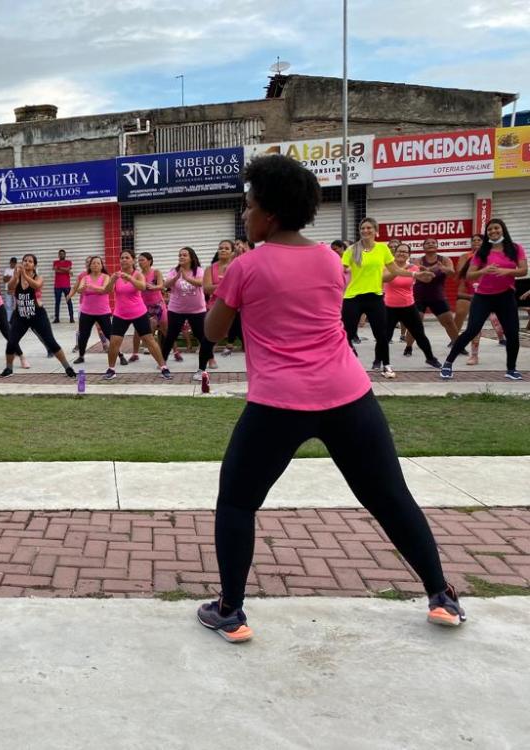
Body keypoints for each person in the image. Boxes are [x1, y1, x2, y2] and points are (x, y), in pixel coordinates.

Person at [194, 155, 465, 644]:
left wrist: (231, 295)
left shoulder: (245, 265)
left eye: (249, 205)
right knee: (388, 495)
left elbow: (213, 330)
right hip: (349, 396)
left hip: (278, 402)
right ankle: (441, 596)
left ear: (269, 214)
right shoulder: (327, 258)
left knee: (237, 502)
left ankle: (230, 612)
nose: (244, 214)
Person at [441, 218, 526, 381]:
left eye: (496, 228)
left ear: (503, 229)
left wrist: (506, 272)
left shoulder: (515, 249)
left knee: (512, 333)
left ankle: (511, 369)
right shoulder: (482, 252)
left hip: (506, 296)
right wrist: (485, 270)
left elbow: (523, 270)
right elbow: (468, 275)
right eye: (490, 230)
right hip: (483, 297)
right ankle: (448, 364)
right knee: (472, 330)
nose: (493, 232)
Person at [341, 217, 415, 379]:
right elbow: (340, 270)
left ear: (376, 231)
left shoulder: (382, 249)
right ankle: (346, 366)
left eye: (369, 228)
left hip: (375, 297)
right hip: (353, 298)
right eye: (363, 228)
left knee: (381, 335)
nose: (365, 231)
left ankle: (386, 365)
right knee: (347, 334)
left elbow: (395, 270)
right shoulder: (352, 250)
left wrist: (415, 274)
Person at [0, 254, 77, 379]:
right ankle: (9, 368)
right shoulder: (18, 277)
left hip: (38, 315)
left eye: (30, 261)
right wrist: (15, 276)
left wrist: (24, 275)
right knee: (11, 342)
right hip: (21, 316)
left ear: (34, 265)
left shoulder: (38, 277)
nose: (26, 263)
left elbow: (36, 285)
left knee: (51, 342)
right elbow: (10, 287)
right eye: (25, 260)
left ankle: (67, 367)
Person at [102, 250, 172, 381]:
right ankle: (111, 369)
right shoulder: (116, 275)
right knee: (114, 342)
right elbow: (107, 291)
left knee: (149, 340)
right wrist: (112, 281)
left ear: (132, 260)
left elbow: (142, 286)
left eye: (127, 258)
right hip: (120, 314)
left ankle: (163, 367)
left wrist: (130, 278)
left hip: (138, 312)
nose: (123, 260)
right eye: (122, 258)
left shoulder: (137, 274)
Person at [161, 247, 215, 392]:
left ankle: (203, 366)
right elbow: (165, 285)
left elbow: (202, 284)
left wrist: (187, 278)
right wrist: (176, 277)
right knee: (170, 336)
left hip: (197, 310)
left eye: (185, 255)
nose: (182, 257)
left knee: (202, 337)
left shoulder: (199, 270)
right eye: (180, 255)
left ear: (191, 257)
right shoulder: (174, 270)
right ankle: (162, 362)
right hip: (176, 309)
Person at [383, 244, 441, 368]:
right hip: (389, 307)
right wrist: (398, 271)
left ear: (409, 255)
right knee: (385, 337)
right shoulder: (387, 266)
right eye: (399, 251)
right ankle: (382, 361)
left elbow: (425, 280)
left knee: (419, 334)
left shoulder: (414, 268)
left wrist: (429, 274)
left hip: (408, 306)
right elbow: (383, 279)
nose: (402, 253)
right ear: (394, 252)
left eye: (405, 252)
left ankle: (430, 358)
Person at [455, 236, 506, 365]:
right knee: (475, 329)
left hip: (493, 300)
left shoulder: (490, 270)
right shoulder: (468, 276)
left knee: (496, 322)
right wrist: (472, 297)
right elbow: (460, 292)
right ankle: (474, 355)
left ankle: (501, 338)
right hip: (478, 303)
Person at [407, 238, 459, 354]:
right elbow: (420, 276)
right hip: (419, 296)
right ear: (423, 247)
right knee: (415, 322)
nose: (430, 244)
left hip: (437, 296)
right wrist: (430, 270)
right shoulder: (418, 260)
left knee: (449, 322)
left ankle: (458, 345)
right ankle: (408, 347)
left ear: (437, 246)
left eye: (433, 243)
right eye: (427, 243)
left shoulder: (445, 260)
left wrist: (444, 268)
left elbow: (452, 273)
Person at [71, 256, 114, 365]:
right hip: (87, 312)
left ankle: (119, 354)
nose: (95, 265)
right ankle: (81, 356)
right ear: (89, 266)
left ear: (101, 266)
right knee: (83, 335)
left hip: (102, 312)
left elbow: (105, 289)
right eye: (93, 263)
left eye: (98, 263)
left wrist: (91, 286)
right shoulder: (85, 277)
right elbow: (79, 290)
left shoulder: (105, 277)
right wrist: (82, 288)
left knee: (110, 334)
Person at [203, 240, 240, 358]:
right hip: (215, 305)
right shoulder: (210, 268)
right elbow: (207, 288)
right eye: (221, 248)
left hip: (235, 306)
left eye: (226, 248)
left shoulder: (237, 266)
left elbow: (240, 286)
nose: (223, 250)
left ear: (232, 252)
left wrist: (220, 287)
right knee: (211, 334)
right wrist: (227, 285)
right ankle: (208, 358)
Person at [129, 252, 168, 364]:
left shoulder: (156, 272)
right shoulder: (138, 275)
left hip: (158, 305)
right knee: (138, 330)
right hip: (144, 306)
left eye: (142, 260)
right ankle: (135, 354)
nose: (140, 262)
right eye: (139, 260)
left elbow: (162, 286)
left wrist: (153, 287)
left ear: (149, 261)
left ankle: (175, 351)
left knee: (165, 329)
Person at [52, 249, 74, 323]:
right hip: (57, 286)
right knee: (57, 302)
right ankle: (57, 318)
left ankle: (71, 318)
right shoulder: (55, 262)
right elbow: (56, 270)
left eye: (63, 254)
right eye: (60, 254)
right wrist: (66, 270)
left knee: (69, 301)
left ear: (65, 255)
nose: (61, 255)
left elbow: (68, 269)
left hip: (66, 285)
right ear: (58, 255)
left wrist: (59, 268)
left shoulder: (69, 262)